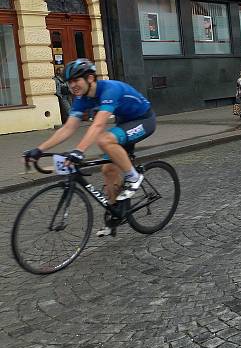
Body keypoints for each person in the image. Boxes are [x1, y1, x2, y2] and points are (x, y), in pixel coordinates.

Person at [22, 59, 155, 237]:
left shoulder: (110, 90)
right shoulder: (81, 99)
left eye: (76, 80)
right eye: (69, 82)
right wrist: (39, 149)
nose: (72, 86)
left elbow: (98, 125)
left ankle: (134, 177)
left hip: (143, 120)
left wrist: (79, 151)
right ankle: (115, 217)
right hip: (124, 123)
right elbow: (68, 127)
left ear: (90, 78)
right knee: (108, 169)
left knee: (104, 140)